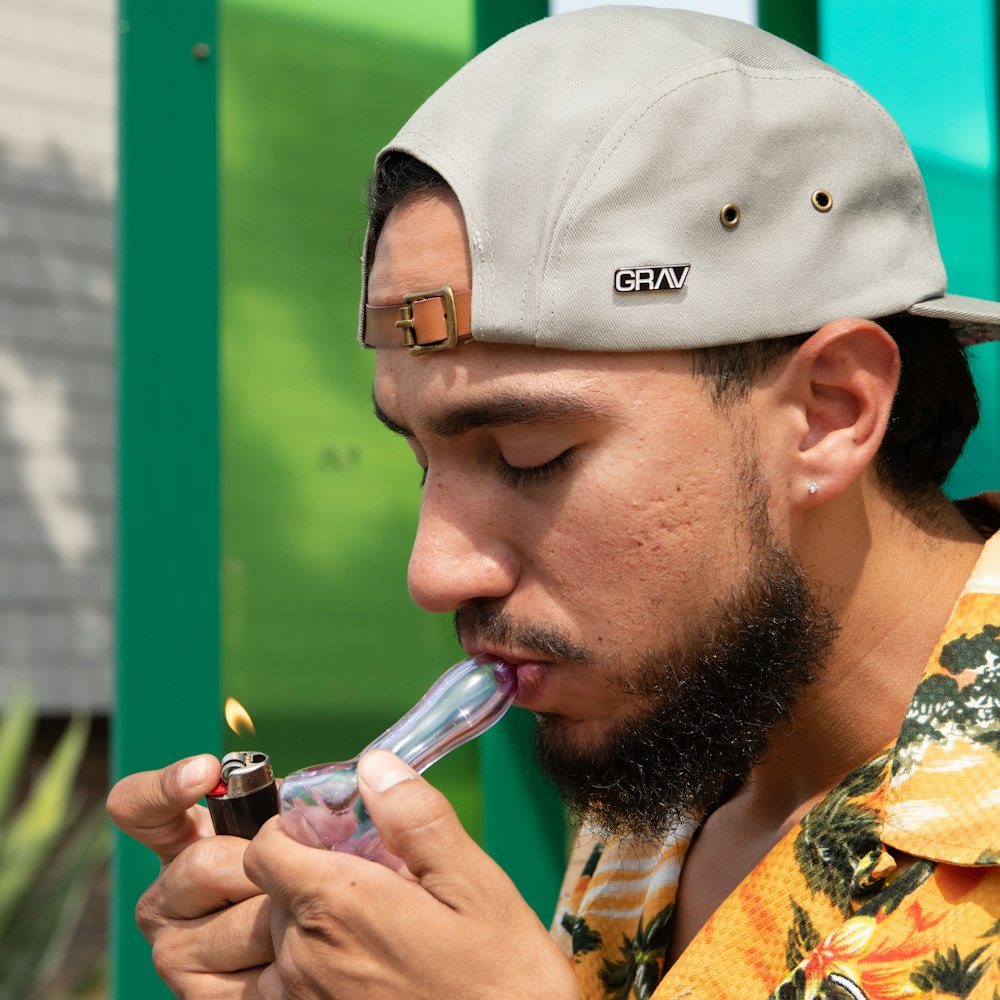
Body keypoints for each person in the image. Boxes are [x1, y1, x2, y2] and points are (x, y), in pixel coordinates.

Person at [107, 7, 1000, 999]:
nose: (432, 570)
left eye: (528, 454)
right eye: (421, 458)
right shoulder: (678, 742)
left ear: (829, 412)